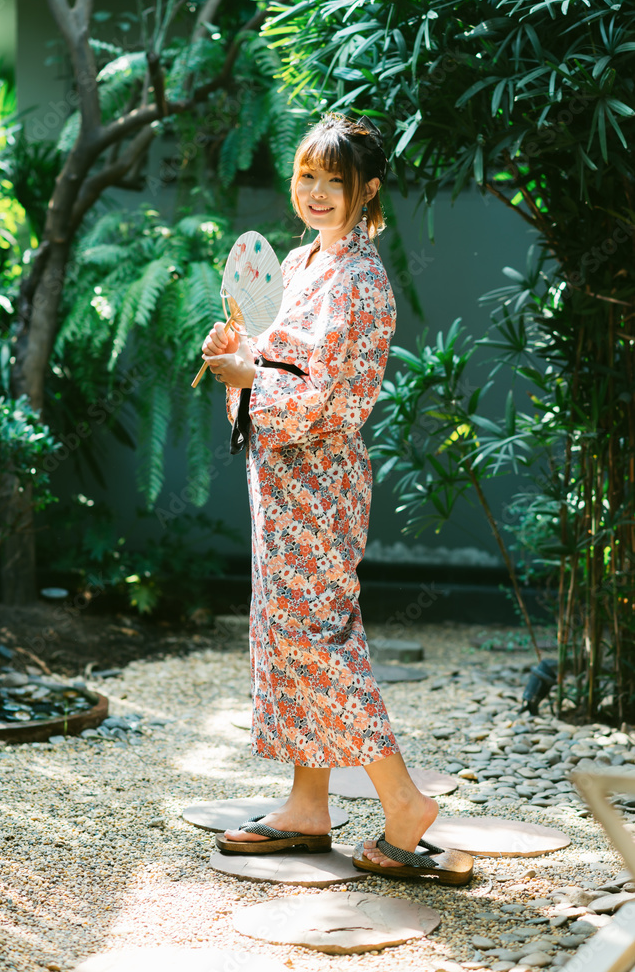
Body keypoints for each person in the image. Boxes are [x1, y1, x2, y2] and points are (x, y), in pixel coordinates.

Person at [201, 113, 472, 883]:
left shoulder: (361, 280)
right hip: (281, 481)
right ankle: (306, 806)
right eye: (306, 177)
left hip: (319, 484)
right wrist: (239, 354)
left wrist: (253, 382)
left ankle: (405, 804)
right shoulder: (299, 261)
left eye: (334, 181)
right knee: (290, 634)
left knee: (320, 640)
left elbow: (338, 402)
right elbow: (282, 365)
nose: (316, 193)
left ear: (368, 190)